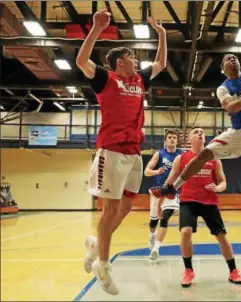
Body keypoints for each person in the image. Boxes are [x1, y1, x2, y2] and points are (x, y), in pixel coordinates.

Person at [76, 10, 166, 295]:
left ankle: (95, 244)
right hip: (111, 152)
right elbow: (81, 61)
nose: (137, 60)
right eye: (132, 56)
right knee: (111, 208)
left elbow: (161, 62)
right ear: (119, 61)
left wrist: (162, 34)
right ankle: (103, 263)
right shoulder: (106, 79)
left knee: (127, 206)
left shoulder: (140, 80)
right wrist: (96, 29)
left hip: (134, 152)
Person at [151, 54, 241, 214]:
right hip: (237, 133)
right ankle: (173, 188)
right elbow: (231, 108)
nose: (233, 59)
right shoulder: (223, 88)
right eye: (227, 59)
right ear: (223, 69)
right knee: (204, 154)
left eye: (235, 58)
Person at [159, 126, 241, 287]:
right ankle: (188, 270)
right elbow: (170, 181)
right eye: (196, 132)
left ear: (205, 139)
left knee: (221, 235)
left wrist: (218, 188)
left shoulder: (213, 158)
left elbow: (223, 182)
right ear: (189, 139)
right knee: (185, 232)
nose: (200, 134)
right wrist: (163, 193)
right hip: (188, 200)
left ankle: (233, 270)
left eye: (202, 133)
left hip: (209, 201)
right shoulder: (181, 158)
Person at [144, 130, 183, 258]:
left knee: (164, 217)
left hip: (173, 191)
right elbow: (146, 172)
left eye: (174, 138)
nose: (172, 139)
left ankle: (156, 247)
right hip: (158, 191)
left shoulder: (181, 155)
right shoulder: (159, 154)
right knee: (153, 221)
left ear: (177, 141)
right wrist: (157, 171)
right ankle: (152, 237)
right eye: (169, 137)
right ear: (165, 141)